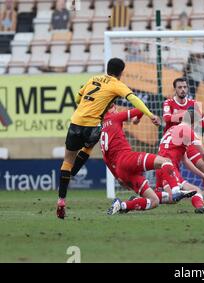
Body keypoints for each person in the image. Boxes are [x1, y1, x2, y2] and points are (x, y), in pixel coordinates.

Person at [56, 58, 160, 219]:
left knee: (67, 161)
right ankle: (73, 173)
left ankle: (61, 199)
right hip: (93, 125)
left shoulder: (93, 79)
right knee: (87, 148)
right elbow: (133, 99)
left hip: (76, 122)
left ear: (107, 68)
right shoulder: (116, 84)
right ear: (121, 73)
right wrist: (150, 114)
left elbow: (77, 99)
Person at [102, 105, 197, 215]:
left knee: (154, 201)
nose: (116, 109)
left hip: (120, 170)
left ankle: (122, 205)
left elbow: (106, 159)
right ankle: (176, 191)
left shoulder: (102, 129)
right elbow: (140, 108)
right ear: (108, 110)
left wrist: (118, 177)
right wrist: (138, 119)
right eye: (114, 107)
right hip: (127, 158)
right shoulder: (115, 117)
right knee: (165, 161)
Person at [162, 78, 204, 207]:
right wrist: (187, 114)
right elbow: (166, 118)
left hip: (188, 141)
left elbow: (202, 120)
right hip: (173, 144)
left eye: (184, 87)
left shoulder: (194, 104)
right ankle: (161, 194)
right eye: (179, 87)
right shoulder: (168, 102)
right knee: (170, 177)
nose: (182, 90)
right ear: (175, 89)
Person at [157, 106, 204, 214]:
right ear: (193, 122)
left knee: (177, 196)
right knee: (176, 196)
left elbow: (186, 161)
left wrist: (203, 175)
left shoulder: (171, 130)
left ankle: (200, 208)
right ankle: (143, 198)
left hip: (160, 167)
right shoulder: (187, 130)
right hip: (169, 169)